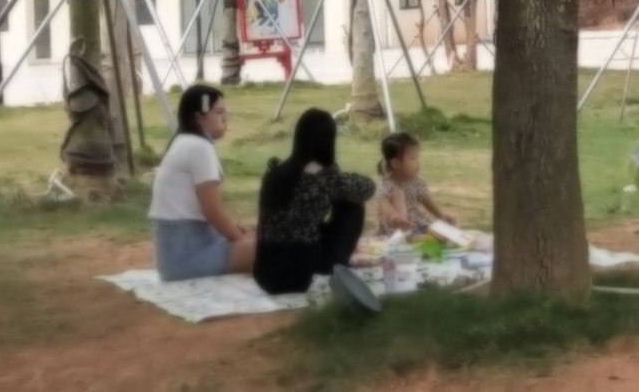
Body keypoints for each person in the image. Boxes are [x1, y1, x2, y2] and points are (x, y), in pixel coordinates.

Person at [253, 108, 376, 295]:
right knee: (353, 204)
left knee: (310, 219)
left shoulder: (275, 172)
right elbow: (368, 187)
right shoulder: (324, 178)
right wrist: (334, 172)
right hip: (296, 277)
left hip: (264, 273)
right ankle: (335, 263)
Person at [151, 85, 255, 282]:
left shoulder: (184, 142)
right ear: (199, 117)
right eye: (219, 112)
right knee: (272, 245)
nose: (225, 118)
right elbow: (212, 212)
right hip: (188, 257)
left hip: (179, 254)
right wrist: (242, 240)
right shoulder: (199, 147)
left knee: (257, 231)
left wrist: (239, 232)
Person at [375, 131, 455, 236]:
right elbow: (384, 204)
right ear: (396, 164)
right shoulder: (387, 185)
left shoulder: (416, 182)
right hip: (396, 227)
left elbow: (426, 200)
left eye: (418, 158)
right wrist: (395, 217)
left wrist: (441, 215)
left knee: (440, 234)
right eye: (413, 158)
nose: (417, 162)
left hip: (415, 223)